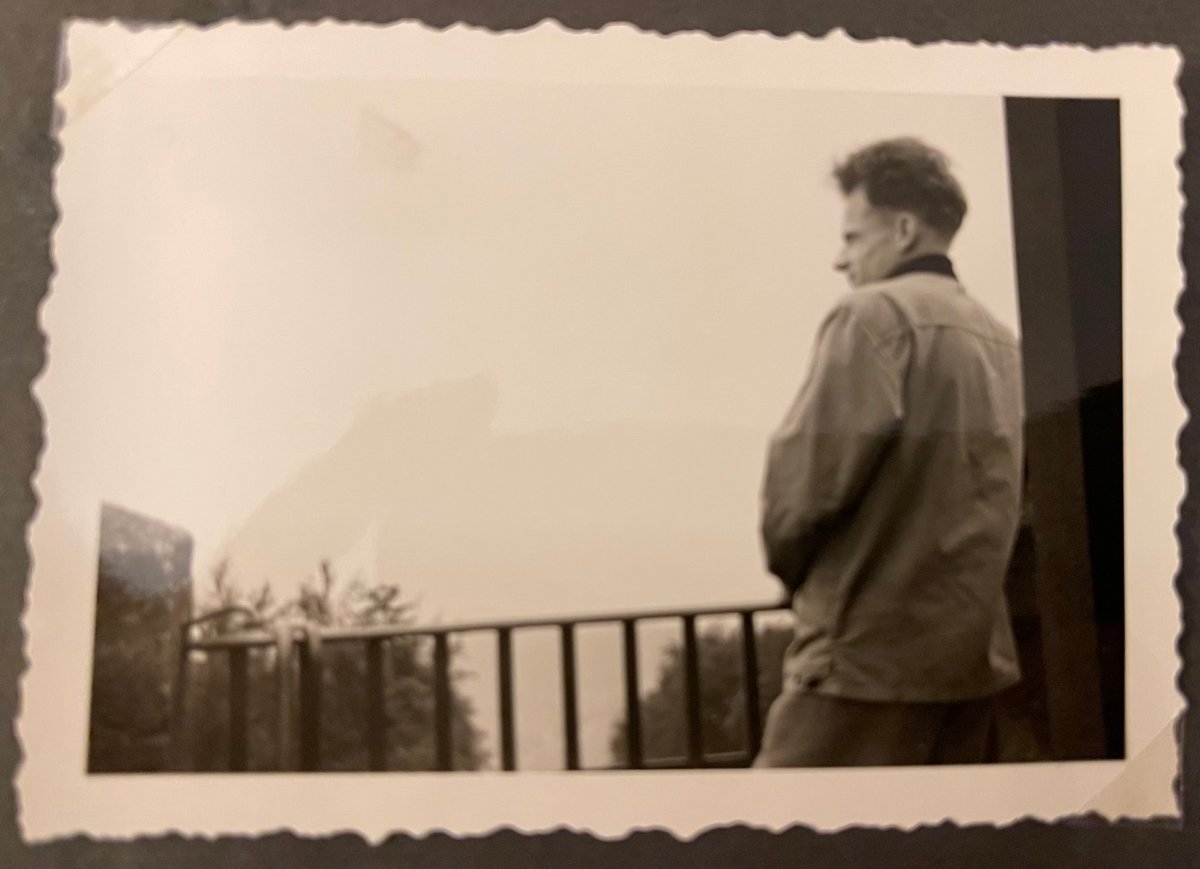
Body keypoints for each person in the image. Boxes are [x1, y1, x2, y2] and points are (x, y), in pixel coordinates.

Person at [754, 138, 1024, 767]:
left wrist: (795, 578)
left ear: (903, 230)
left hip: (865, 664)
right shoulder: (999, 338)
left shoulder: (871, 317)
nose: (840, 260)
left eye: (852, 238)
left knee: (778, 822)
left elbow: (801, 494)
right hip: (967, 666)